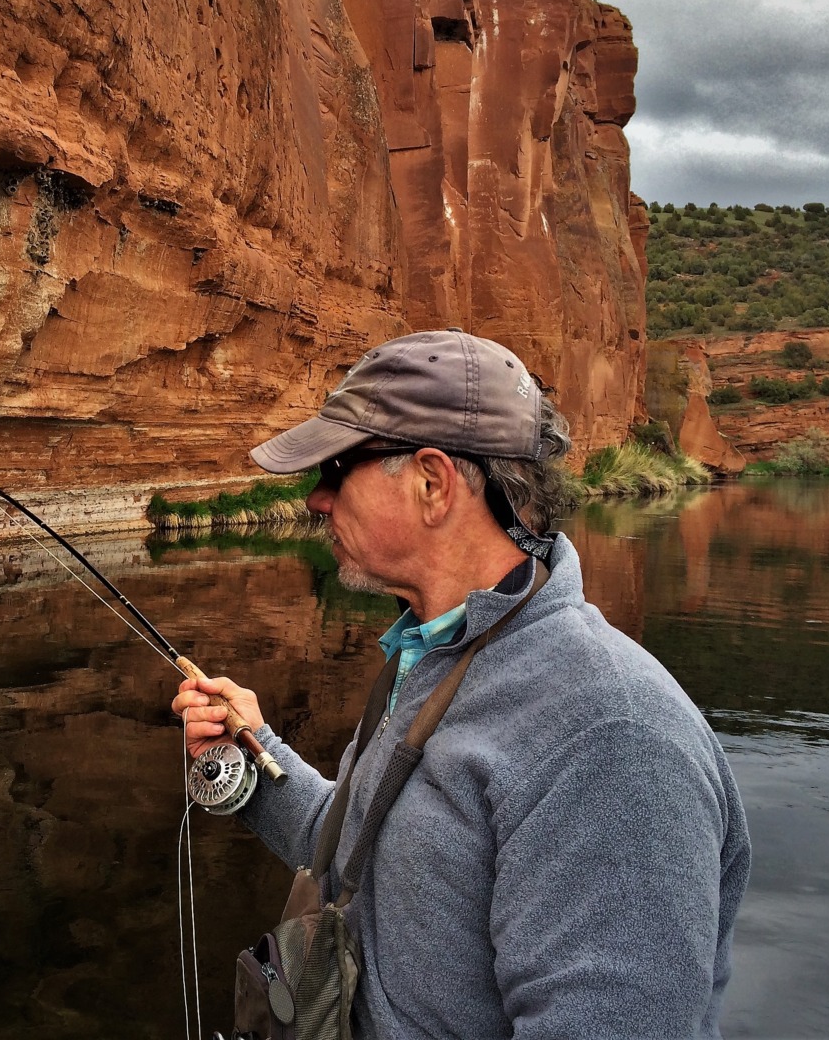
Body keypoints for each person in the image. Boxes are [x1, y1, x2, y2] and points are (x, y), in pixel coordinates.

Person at [172, 330, 750, 1039]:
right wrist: (252, 758)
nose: (317, 499)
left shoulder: (612, 740)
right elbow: (356, 847)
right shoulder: (434, 651)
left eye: (336, 469)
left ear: (433, 482)